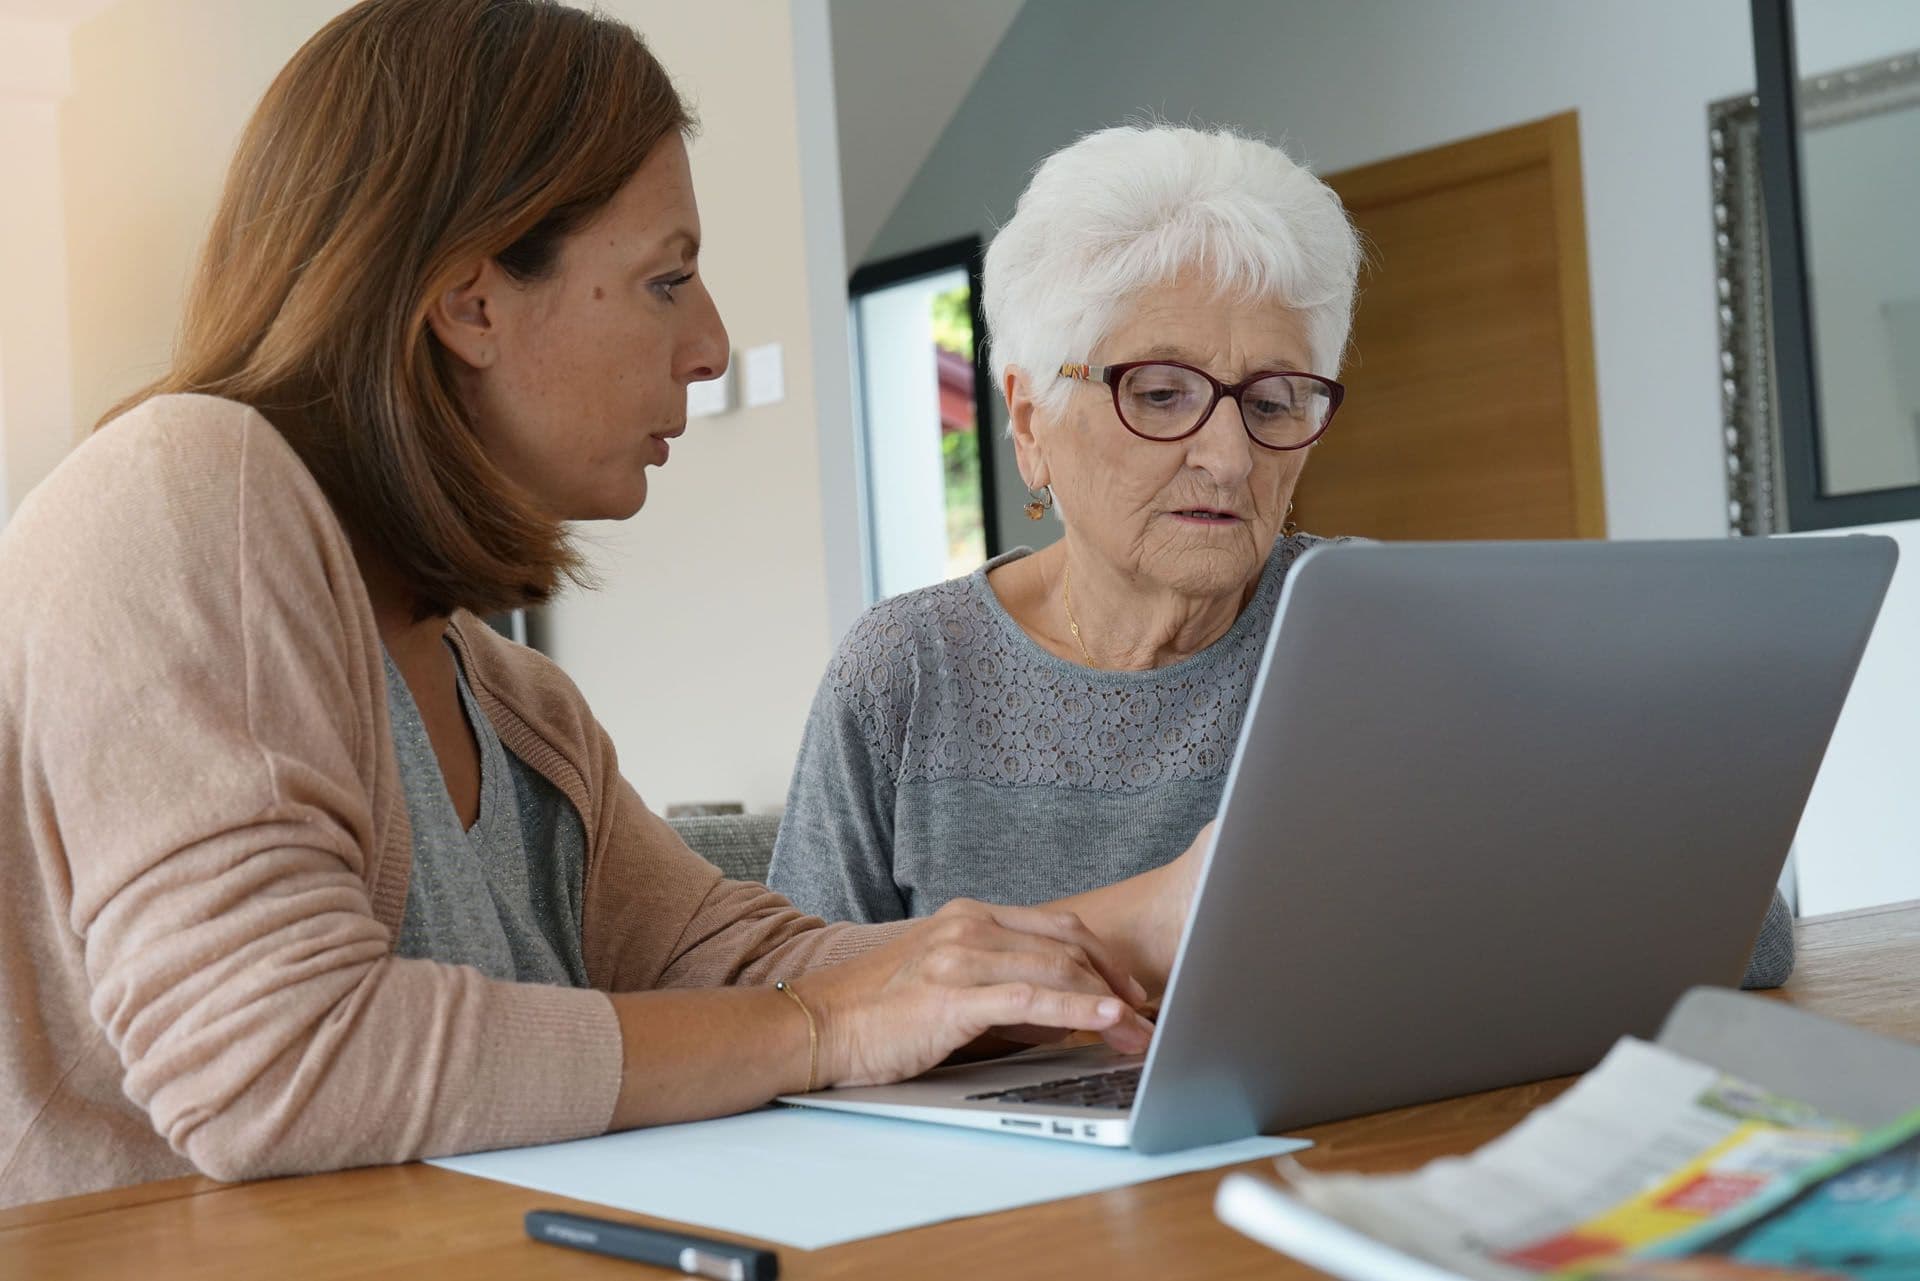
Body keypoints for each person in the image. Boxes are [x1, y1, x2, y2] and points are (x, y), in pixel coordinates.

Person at [0, 0, 1203, 1211]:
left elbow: (753, 967)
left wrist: (1149, 923)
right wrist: (816, 1033)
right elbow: (279, 1065)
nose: (714, 344)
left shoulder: (517, 703)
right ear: (470, 301)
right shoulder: (184, 485)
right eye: (665, 278)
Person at [766, 124, 1797, 991]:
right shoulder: (905, 672)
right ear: (1031, 421)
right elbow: (790, 1010)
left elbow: (1748, 934)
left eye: (1273, 402)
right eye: (1161, 394)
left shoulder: (1376, 625)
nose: (1227, 455)